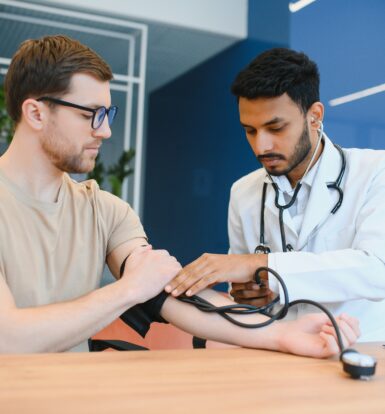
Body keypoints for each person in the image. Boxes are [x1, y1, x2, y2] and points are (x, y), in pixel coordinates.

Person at [0, 36, 359, 357]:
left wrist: (282, 333)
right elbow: (8, 339)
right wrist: (125, 292)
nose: (105, 130)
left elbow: (169, 292)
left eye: (107, 114)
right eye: (91, 115)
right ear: (36, 113)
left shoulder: (105, 210)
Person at [166, 48, 385, 343]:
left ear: (314, 116)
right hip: (279, 353)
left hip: (362, 351)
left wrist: (259, 265)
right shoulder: (244, 192)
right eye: (250, 130)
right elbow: (243, 294)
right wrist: (251, 297)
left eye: (275, 127)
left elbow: (376, 270)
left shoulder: (374, 172)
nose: (261, 146)